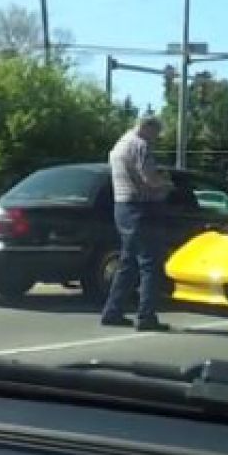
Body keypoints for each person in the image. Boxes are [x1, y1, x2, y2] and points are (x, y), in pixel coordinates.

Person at [101, 116, 174, 331]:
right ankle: (146, 316)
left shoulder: (119, 145)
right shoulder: (141, 146)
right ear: (147, 128)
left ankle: (112, 311)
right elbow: (148, 178)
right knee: (149, 263)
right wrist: (166, 184)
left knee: (128, 262)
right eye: (156, 133)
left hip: (121, 207)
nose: (156, 138)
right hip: (140, 207)